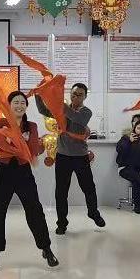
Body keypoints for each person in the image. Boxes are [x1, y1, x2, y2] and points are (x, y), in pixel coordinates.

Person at [0, 91, 59, 273]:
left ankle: (46, 249)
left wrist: (31, 146)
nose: (19, 105)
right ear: (9, 106)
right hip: (3, 172)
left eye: (22, 103)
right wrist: (18, 146)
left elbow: (32, 149)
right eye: (15, 102)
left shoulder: (31, 126)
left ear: (26, 106)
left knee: (35, 211)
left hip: (23, 172)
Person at [36, 83, 105, 235]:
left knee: (89, 188)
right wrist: (38, 94)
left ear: (85, 96)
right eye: (73, 94)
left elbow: (76, 118)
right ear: (70, 94)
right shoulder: (62, 110)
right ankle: (62, 223)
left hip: (81, 157)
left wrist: (58, 102)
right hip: (63, 157)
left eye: (80, 94)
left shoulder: (86, 112)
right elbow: (43, 110)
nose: (76, 97)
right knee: (61, 192)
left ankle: (93, 212)